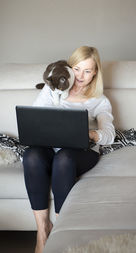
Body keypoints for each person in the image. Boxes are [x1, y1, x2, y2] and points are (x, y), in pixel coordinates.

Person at [22, 46, 115, 253]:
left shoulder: (99, 99)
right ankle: (43, 230)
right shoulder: (53, 89)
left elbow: (109, 134)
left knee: (63, 159)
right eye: (77, 68)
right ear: (68, 67)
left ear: (95, 73)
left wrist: (90, 134)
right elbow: (34, 118)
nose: (81, 76)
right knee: (31, 156)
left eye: (88, 71)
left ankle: (61, 234)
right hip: (50, 147)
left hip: (81, 151)